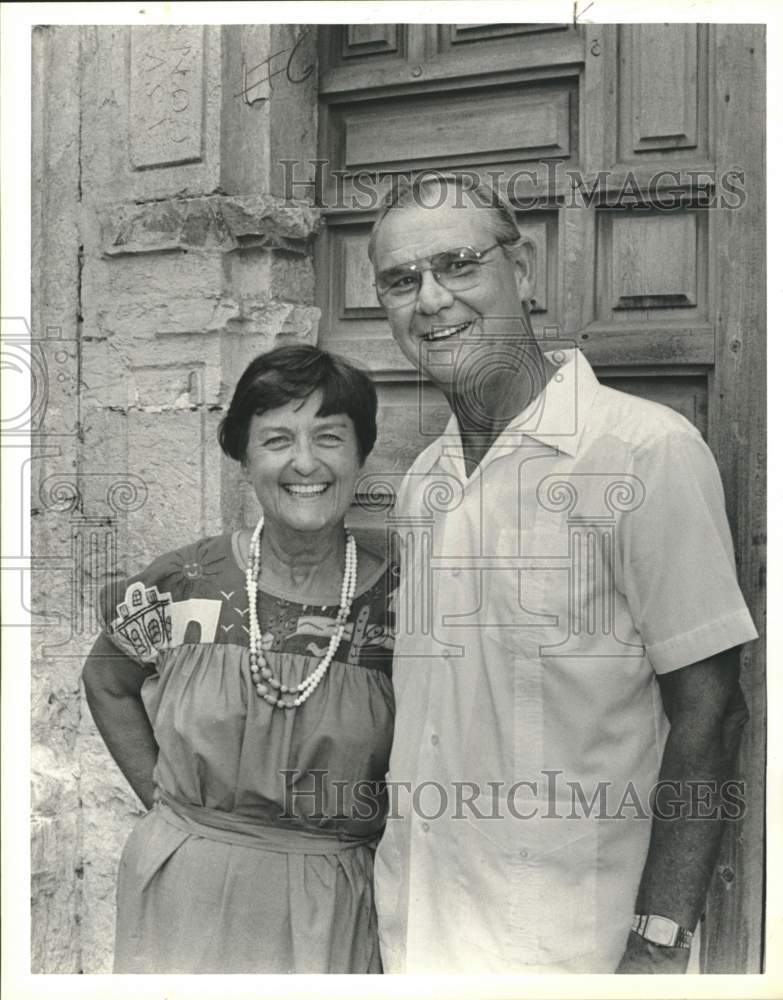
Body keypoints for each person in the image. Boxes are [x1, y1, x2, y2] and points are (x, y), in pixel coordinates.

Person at [368, 174, 758, 974]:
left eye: (457, 265)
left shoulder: (642, 452)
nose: (431, 300)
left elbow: (713, 714)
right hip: (415, 931)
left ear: (526, 268)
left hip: (573, 949)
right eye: (401, 281)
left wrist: (655, 944)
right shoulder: (424, 483)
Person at [82, 345, 396, 973]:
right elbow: (107, 681)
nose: (305, 462)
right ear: (244, 459)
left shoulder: (401, 599)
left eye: (330, 437)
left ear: (361, 455)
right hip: (183, 891)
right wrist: (172, 808)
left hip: (335, 901)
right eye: (277, 438)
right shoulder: (186, 581)